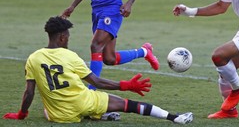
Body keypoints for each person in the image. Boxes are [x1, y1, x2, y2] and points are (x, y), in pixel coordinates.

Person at [3, 16, 193, 124]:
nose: (68, 39)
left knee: (47, 108)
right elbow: (97, 82)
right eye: (67, 36)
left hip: (59, 116)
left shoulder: (33, 58)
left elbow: (29, 92)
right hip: (85, 102)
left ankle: (97, 115)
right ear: (61, 37)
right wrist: (126, 85)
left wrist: (22, 114)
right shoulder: (71, 57)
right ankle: (174, 118)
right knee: (129, 105)